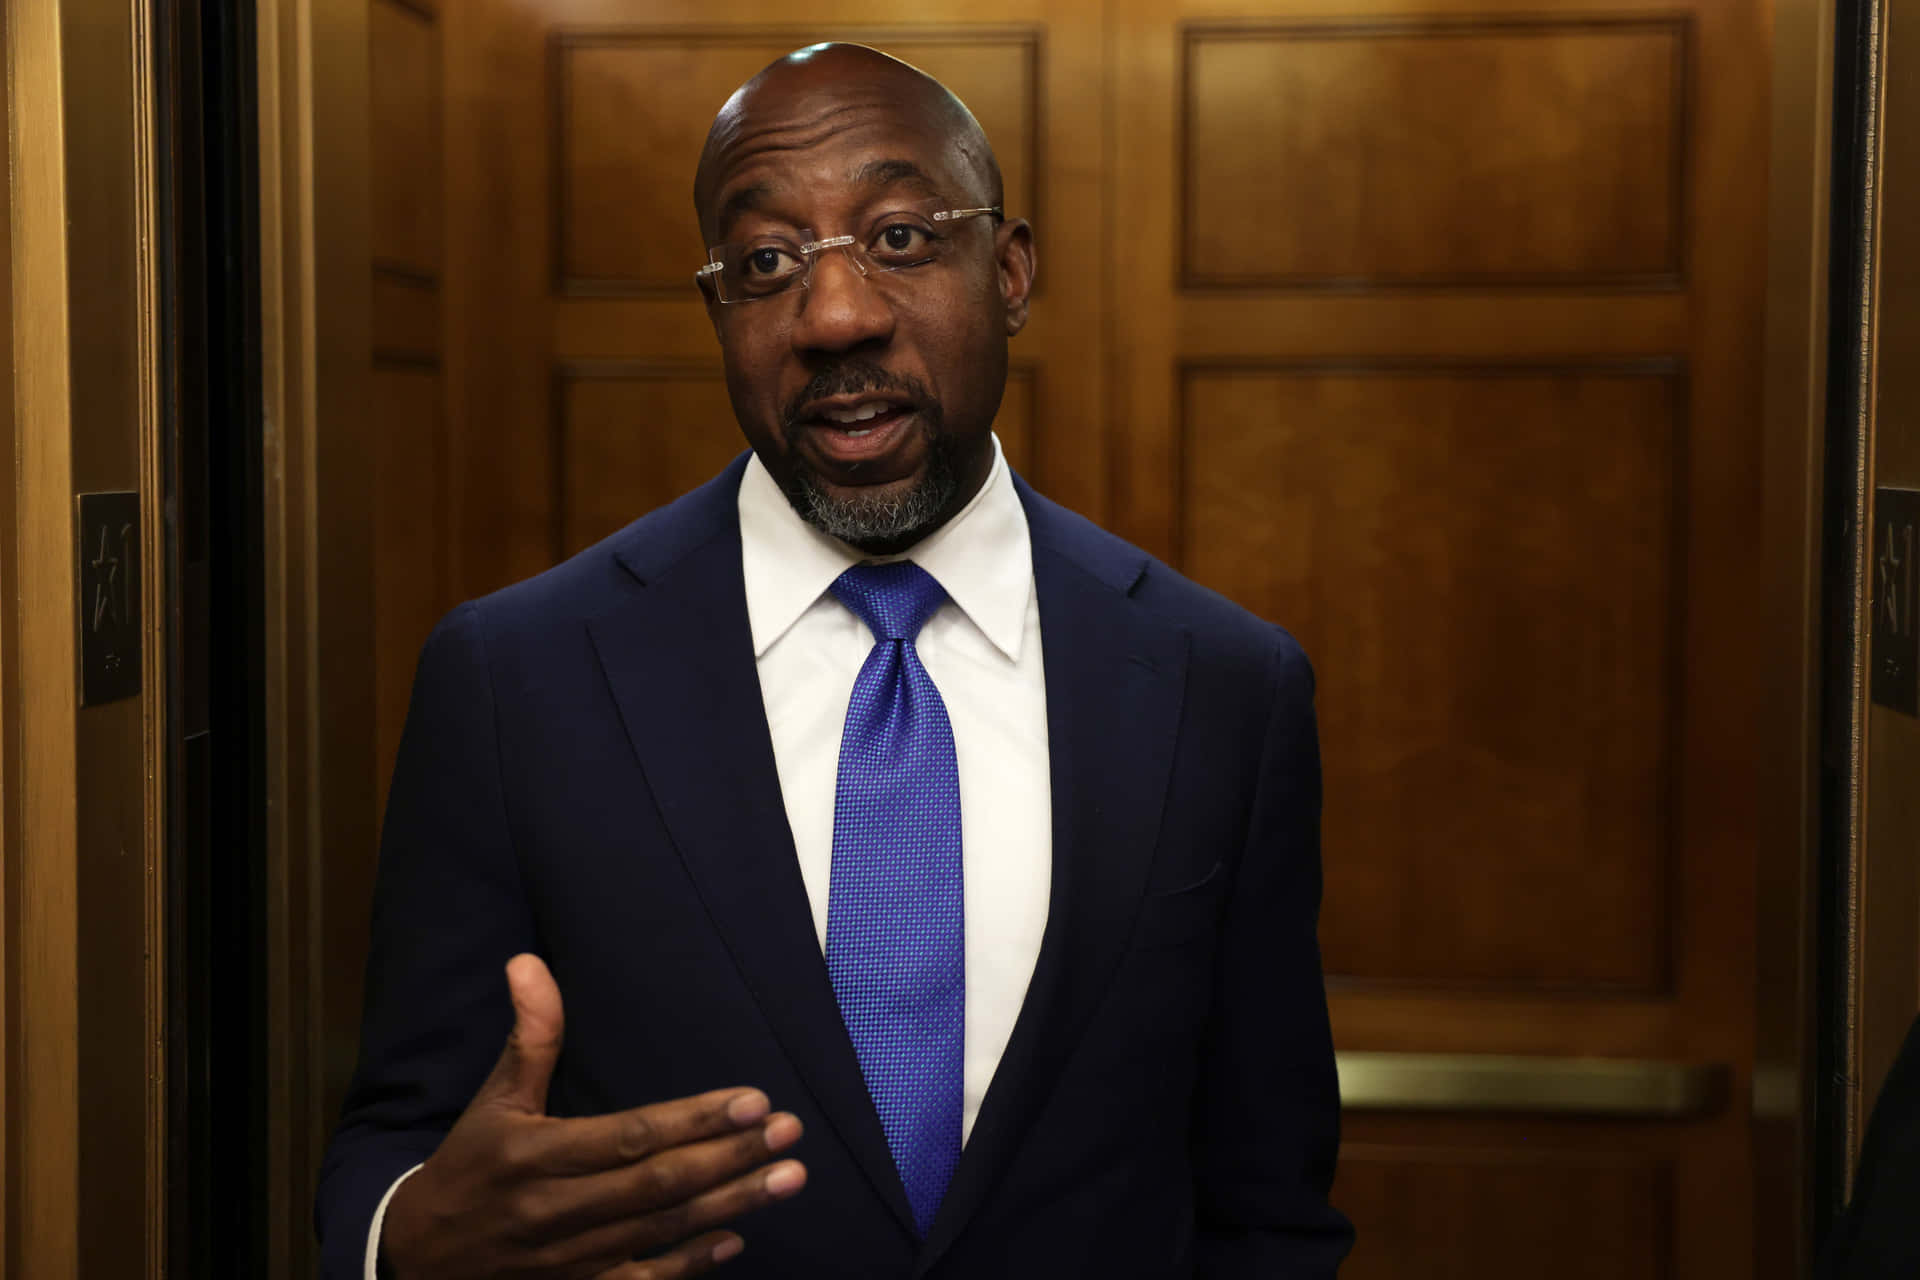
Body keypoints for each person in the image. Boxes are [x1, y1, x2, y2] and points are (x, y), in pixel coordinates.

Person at [316, 43, 1351, 1279]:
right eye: (765, 263)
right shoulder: (515, 681)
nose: (837, 314)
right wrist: (405, 1240)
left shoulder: (1222, 686)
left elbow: (1269, 1203)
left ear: (1010, 271)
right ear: (719, 310)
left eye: (902, 237)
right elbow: (398, 1142)